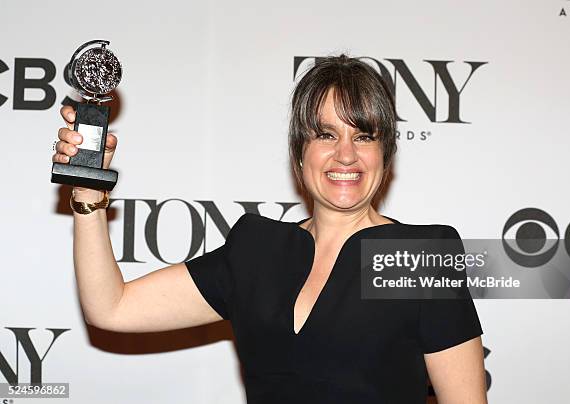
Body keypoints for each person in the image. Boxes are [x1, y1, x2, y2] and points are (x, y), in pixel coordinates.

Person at [52, 54, 487, 403]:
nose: (346, 155)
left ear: (386, 155)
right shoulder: (257, 249)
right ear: (299, 153)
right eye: (326, 135)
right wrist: (87, 191)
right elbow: (111, 308)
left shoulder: (420, 257)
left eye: (365, 136)